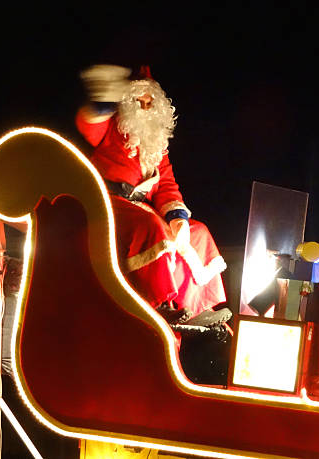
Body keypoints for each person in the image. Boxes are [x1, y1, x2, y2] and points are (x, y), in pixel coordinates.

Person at [76, 64, 228, 326]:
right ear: (127, 104)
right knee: (150, 227)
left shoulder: (158, 148)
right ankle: (157, 303)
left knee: (197, 231)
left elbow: (167, 184)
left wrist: (178, 217)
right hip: (109, 203)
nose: (145, 108)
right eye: (139, 102)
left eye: (149, 103)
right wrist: (105, 96)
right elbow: (89, 124)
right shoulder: (110, 130)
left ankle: (197, 307)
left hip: (143, 206)